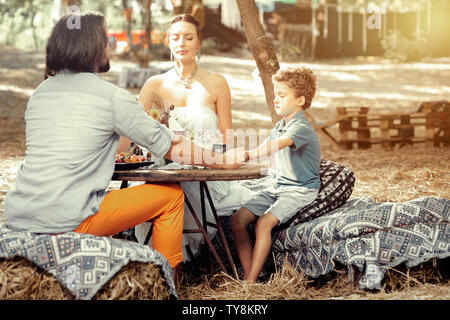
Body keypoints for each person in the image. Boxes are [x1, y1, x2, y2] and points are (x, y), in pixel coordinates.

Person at [3, 12, 244, 280]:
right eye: (106, 40)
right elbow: (171, 146)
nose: (110, 45)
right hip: (68, 219)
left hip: (21, 214)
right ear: (92, 47)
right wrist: (220, 160)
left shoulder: (40, 93)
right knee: (172, 196)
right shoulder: (111, 97)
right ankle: (165, 284)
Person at [117, 14, 257, 262]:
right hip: (166, 169)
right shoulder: (154, 85)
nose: (182, 42)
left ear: (199, 43)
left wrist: (217, 159)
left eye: (188, 37)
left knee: (192, 191)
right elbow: (134, 130)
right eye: (176, 37)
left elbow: (226, 137)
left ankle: (178, 263)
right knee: (164, 191)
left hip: (207, 169)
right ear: (169, 42)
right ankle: (168, 266)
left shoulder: (216, 83)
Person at [231, 67, 321, 283]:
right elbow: (266, 146)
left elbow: (278, 144)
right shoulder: (280, 125)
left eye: (282, 95)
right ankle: (251, 275)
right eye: (275, 95)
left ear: (300, 100)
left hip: (300, 190)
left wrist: (249, 153)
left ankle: (250, 285)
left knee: (264, 223)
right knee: (237, 220)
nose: (275, 100)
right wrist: (241, 158)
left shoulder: (302, 127)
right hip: (278, 186)